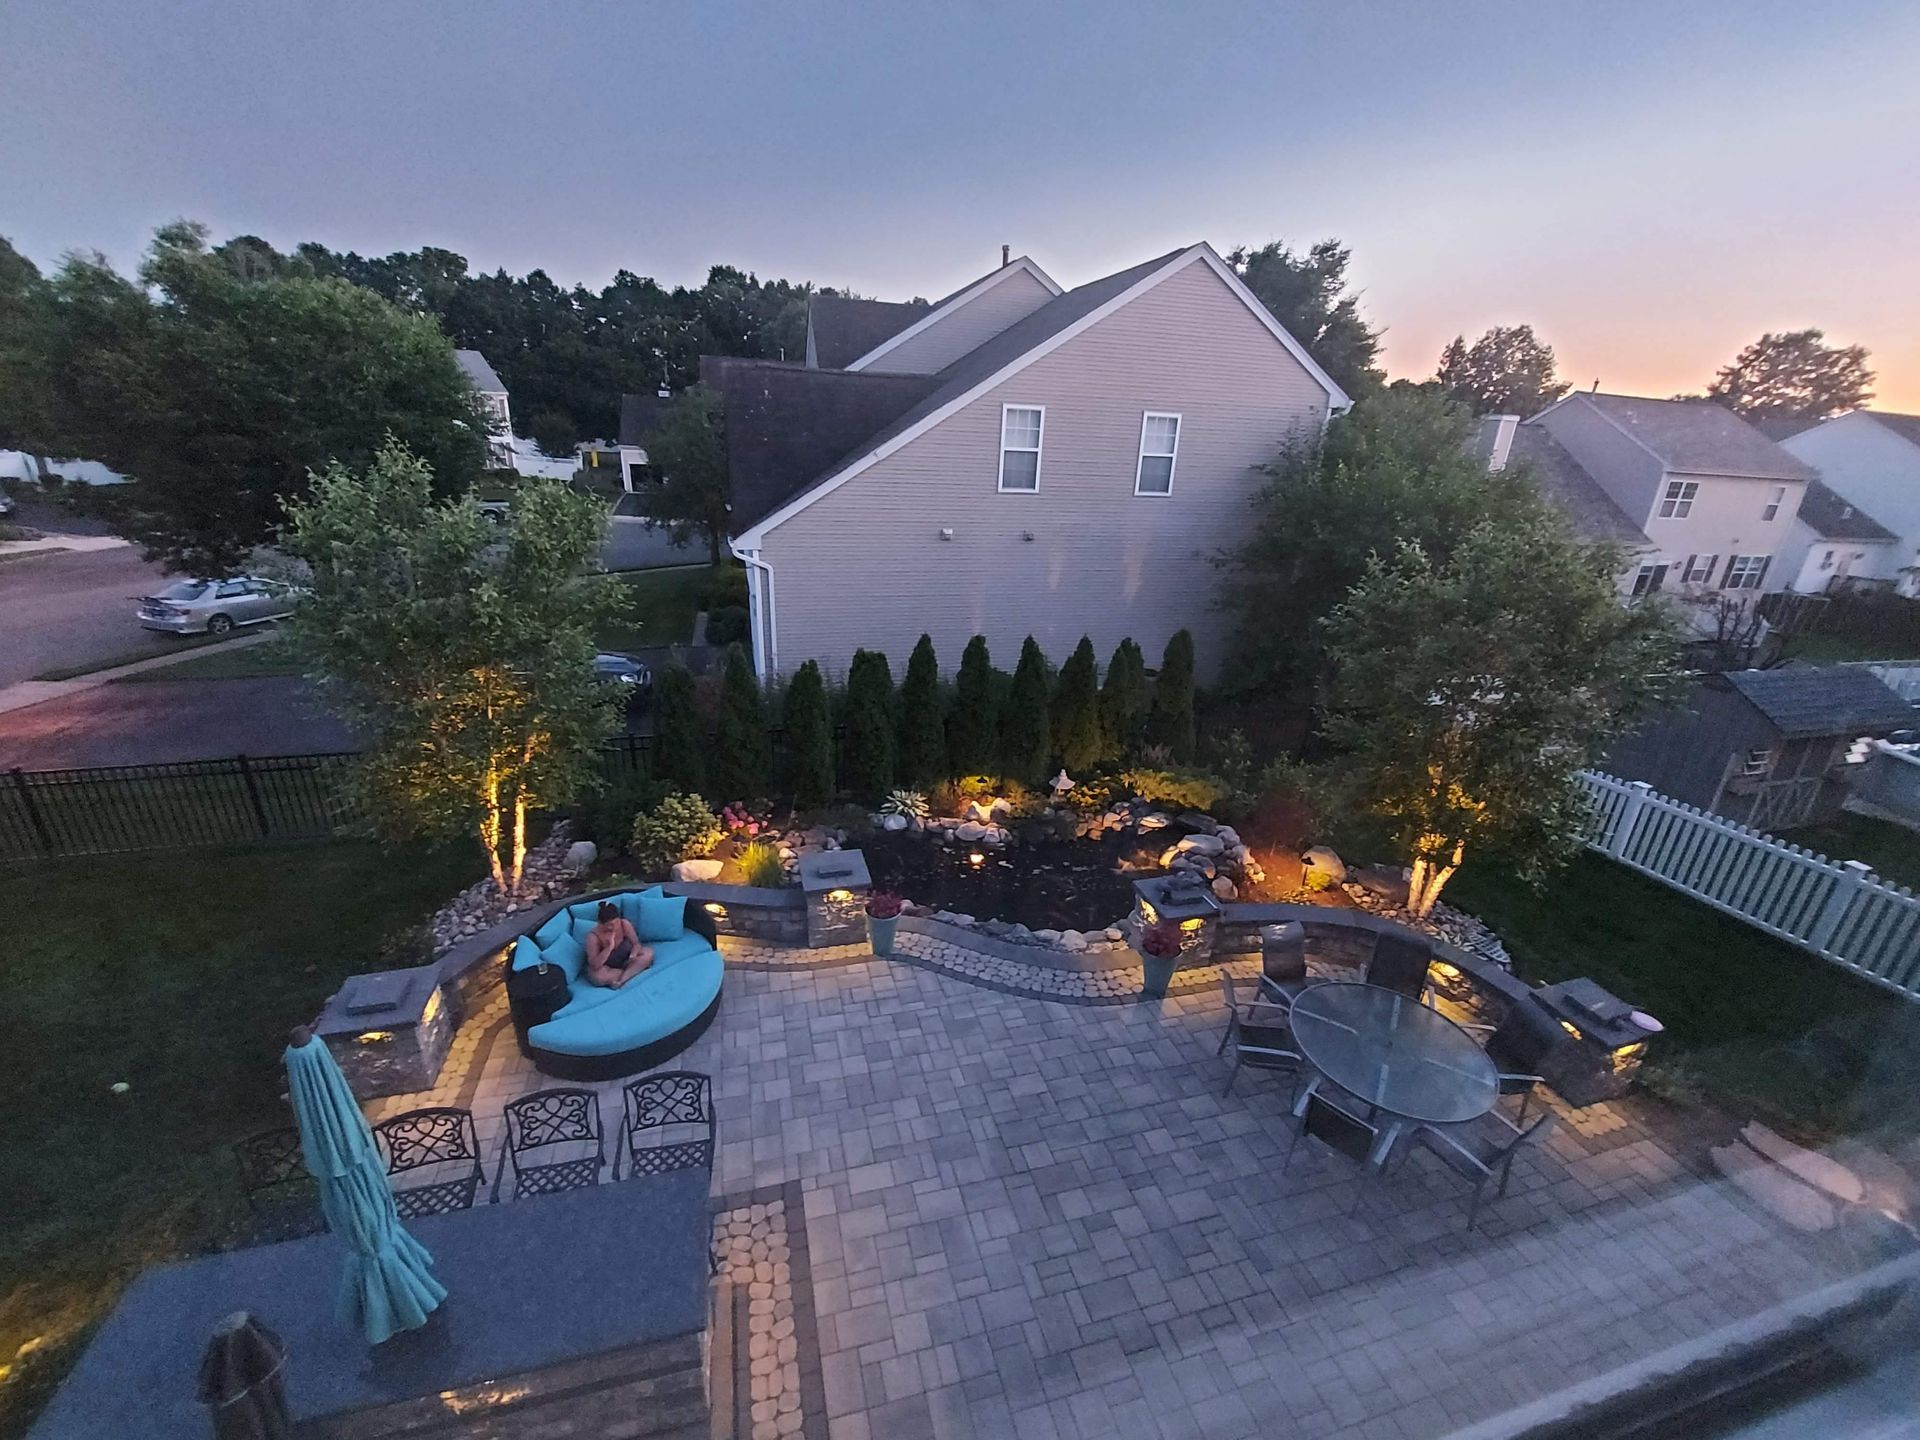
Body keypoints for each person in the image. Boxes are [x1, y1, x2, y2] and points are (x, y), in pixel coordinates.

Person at [583, 902, 652, 988]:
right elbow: (594, 965)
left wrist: (633, 955)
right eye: (608, 925)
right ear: (599, 923)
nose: (611, 928)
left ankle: (621, 980)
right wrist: (608, 948)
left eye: (614, 924)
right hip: (609, 967)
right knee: (598, 977)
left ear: (618, 919)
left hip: (626, 960)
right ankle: (633, 972)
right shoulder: (593, 937)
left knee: (648, 953)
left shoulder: (624, 924)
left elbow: (636, 944)